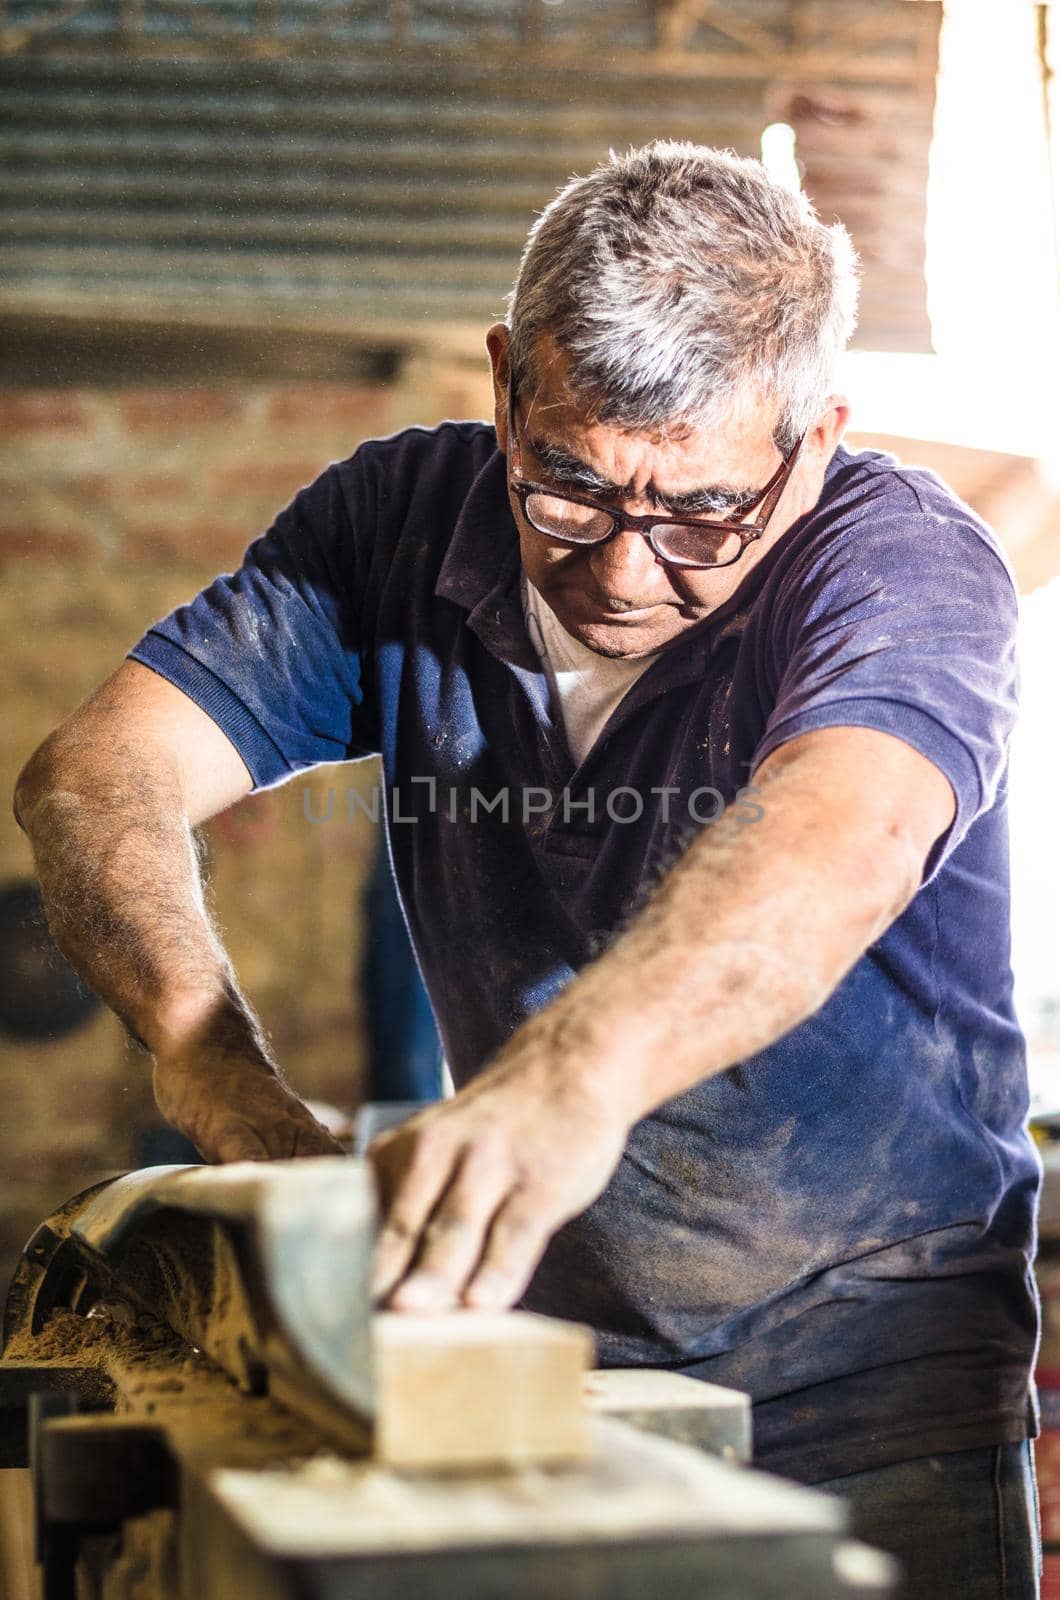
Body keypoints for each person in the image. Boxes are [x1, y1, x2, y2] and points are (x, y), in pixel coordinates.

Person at [14, 142, 1040, 1594]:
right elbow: (93, 776)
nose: (624, 573)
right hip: (537, 1384)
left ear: (815, 441)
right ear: (505, 385)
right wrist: (214, 1068)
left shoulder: (901, 568)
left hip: (881, 1404)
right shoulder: (396, 525)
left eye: (699, 515)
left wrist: (573, 1079)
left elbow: (846, 831)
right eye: (567, 489)